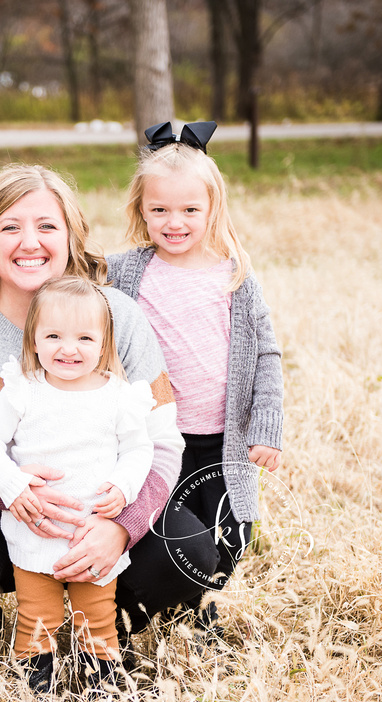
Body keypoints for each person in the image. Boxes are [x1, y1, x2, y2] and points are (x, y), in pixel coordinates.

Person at [0, 164, 210, 675]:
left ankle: (106, 626)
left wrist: (123, 526)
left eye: (46, 226)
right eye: (11, 227)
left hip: (100, 511)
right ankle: (13, 620)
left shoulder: (117, 315)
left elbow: (160, 440)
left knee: (189, 553)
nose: (30, 242)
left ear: (71, 236)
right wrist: (8, 490)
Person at [108, 121, 284, 638]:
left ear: (213, 210)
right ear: (141, 210)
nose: (174, 222)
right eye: (159, 209)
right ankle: (133, 613)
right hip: (158, 439)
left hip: (222, 440)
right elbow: (65, 283)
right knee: (165, 532)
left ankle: (201, 621)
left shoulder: (234, 276)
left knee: (231, 536)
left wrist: (265, 428)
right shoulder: (125, 272)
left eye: (189, 210)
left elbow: (267, 354)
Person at [0, 276, 155, 693]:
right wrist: (11, 483)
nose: (68, 348)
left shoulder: (119, 396)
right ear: (33, 340)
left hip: (95, 532)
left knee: (98, 616)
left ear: (104, 345)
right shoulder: (24, 390)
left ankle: (101, 686)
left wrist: (125, 488)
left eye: (84, 338)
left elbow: (140, 450)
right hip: (37, 529)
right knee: (37, 613)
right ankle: (35, 688)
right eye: (53, 335)